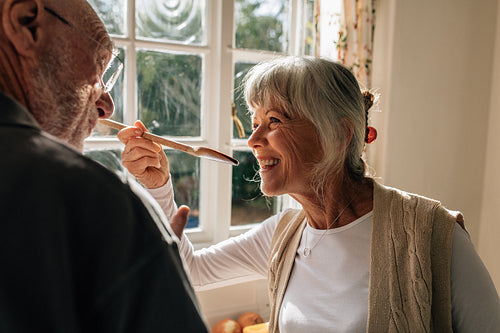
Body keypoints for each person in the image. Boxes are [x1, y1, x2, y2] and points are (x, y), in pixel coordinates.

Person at [118, 56, 500, 332]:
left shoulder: (434, 234)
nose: (252, 140)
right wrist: (158, 187)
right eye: (254, 123)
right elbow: (192, 270)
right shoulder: (284, 234)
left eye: (275, 121)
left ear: (339, 134)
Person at [0, 0, 208, 331]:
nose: (108, 107)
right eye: (100, 63)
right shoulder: (91, 203)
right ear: (27, 24)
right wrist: (144, 254)